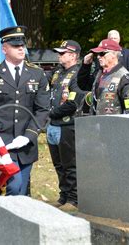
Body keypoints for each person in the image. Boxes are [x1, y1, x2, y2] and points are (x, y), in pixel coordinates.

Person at [0, 26, 50, 196]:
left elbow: (42, 109)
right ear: (4, 49)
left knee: (21, 191)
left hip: (25, 143)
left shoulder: (37, 74)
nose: (21, 48)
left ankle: (8, 220)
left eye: (22, 45)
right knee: (13, 186)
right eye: (16, 46)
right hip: (1, 142)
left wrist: (29, 135)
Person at [47, 40, 86, 212]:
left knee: (70, 164)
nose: (59, 55)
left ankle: (73, 199)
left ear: (73, 55)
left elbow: (73, 102)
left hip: (67, 124)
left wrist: (50, 113)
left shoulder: (78, 74)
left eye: (62, 53)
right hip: (53, 125)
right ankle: (63, 196)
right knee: (58, 164)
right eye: (59, 53)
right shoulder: (58, 72)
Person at [77, 38, 129, 115]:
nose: (98, 57)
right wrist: (86, 66)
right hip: (95, 123)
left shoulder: (124, 77)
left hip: (114, 125)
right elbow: (83, 85)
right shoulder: (100, 73)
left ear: (113, 55)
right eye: (97, 54)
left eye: (102, 53)